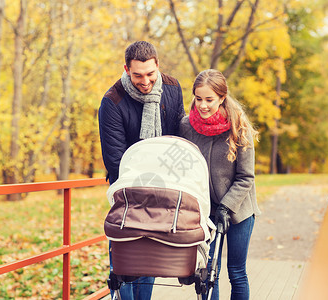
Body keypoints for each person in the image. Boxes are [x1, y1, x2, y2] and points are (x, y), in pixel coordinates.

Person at [98, 41, 185, 300]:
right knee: (124, 259)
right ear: (126, 69)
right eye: (137, 75)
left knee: (149, 256)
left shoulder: (172, 87)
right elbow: (115, 160)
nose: (145, 81)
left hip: (162, 187)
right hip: (126, 190)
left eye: (150, 73)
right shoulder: (112, 102)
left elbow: (176, 139)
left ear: (157, 65)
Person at [179, 69, 261, 300]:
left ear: (222, 98)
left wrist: (226, 207)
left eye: (209, 100)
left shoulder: (239, 127)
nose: (202, 106)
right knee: (206, 274)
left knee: (236, 272)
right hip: (205, 212)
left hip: (239, 211)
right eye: (198, 99)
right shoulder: (186, 126)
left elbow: (246, 177)